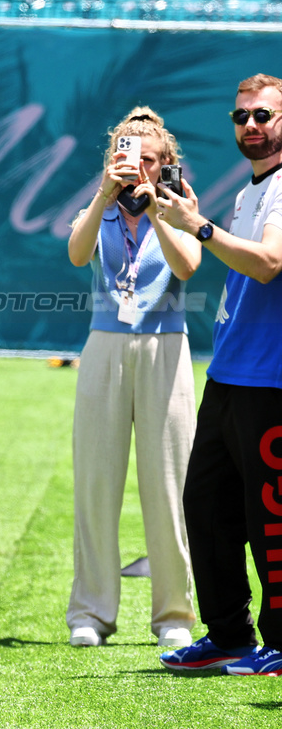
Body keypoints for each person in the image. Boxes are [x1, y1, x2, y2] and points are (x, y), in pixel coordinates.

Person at [155, 73, 282, 676]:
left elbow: (269, 264)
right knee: (207, 506)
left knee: (271, 515)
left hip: (272, 381)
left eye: (263, 115)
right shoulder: (248, 191)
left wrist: (198, 228)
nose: (251, 126)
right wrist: (200, 220)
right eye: (241, 117)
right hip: (231, 373)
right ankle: (229, 633)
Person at [63, 107, 199, 650]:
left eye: (147, 159)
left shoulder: (180, 207)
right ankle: (92, 612)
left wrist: (164, 208)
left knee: (170, 483)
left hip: (167, 347)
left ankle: (174, 614)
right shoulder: (100, 208)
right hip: (105, 345)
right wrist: (102, 196)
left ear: (166, 164)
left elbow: (187, 265)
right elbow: (76, 255)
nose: (134, 167)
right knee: (96, 479)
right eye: (125, 156)